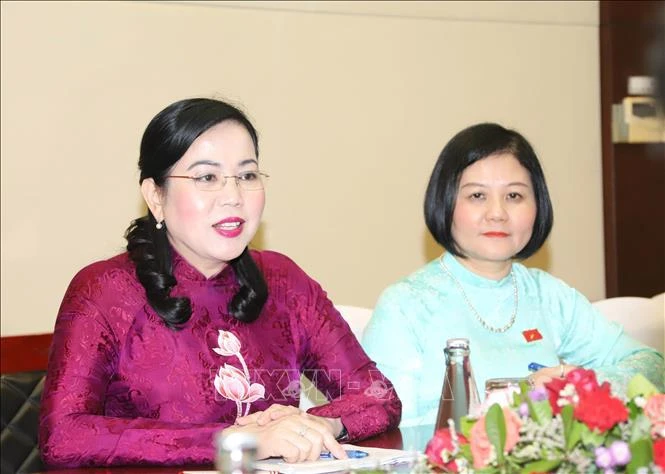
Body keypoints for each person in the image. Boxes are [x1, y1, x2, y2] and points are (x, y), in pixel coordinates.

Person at [39, 98, 401, 468]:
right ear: (155, 196)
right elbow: (64, 437)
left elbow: (378, 396)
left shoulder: (284, 281)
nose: (234, 197)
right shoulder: (105, 290)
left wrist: (313, 425)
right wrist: (234, 441)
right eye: (207, 178)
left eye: (247, 175)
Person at [361, 122, 664, 428]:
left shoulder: (549, 296)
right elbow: (388, 429)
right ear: (445, 201)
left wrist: (576, 386)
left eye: (515, 196)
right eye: (477, 196)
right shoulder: (406, 305)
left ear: (538, 205)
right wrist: (522, 397)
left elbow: (652, 366)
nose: (497, 213)